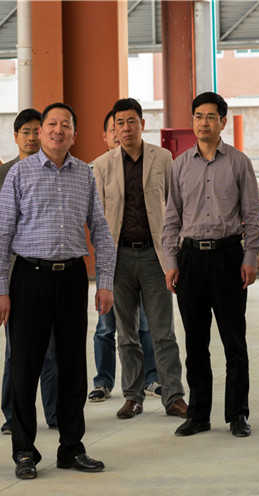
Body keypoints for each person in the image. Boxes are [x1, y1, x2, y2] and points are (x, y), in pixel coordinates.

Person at [0, 102, 116, 479]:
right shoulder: (20, 173)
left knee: (73, 366)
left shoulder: (84, 175)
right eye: (51, 124)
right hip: (29, 278)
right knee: (25, 366)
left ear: (74, 135)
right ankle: (24, 451)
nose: (58, 130)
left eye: (66, 125)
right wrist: (1, 289)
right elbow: (1, 235)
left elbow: (100, 230)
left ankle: (71, 447)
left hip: (72, 278)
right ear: (41, 131)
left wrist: (105, 283)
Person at [162, 91, 259, 438]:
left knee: (234, 341)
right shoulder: (179, 166)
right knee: (195, 342)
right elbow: (171, 218)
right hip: (190, 260)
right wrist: (170, 262)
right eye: (198, 116)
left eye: (210, 117)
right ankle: (199, 414)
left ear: (222, 122)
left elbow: (252, 214)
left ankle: (238, 413)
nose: (203, 123)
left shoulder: (238, 163)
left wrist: (250, 257)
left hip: (227, 257)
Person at [92, 98, 187, 420]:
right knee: (126, 334)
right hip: (119, 258)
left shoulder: (163, 158)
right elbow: (98, 219)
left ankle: (173, 395)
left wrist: (174, 257)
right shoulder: (102, 165)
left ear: (142, 124)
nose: (126, 128)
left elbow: (175, 208)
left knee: (163, 332)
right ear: (114, 128)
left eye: (132, 121)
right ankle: (132, 397)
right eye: (120, 123)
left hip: (154, 256)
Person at [0, 108, 58, 434]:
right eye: (25, 132)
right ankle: (13, 415)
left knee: (52, 349)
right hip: (18, 272)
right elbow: (1, 230)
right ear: (16, 137)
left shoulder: (55, 170)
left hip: (51, 272)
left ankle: (55, 412)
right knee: (16, 349)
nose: (31, 137)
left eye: (35, 131)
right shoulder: (1, 176)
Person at [90, 110, 161, 403]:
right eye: (115, 128)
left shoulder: (153, 161)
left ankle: (151, 378)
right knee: (106, 325)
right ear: (107, 135)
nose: (121, 132)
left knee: (145, 323)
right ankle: (103, 380)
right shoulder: (100, 168)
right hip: (113, 257)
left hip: (146, 254)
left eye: (128, 124)